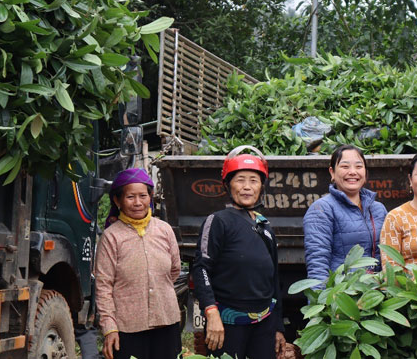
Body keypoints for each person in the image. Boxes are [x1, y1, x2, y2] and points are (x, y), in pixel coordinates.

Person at [192, 146, 286, 359]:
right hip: (227, 322)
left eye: (253, 181)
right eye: (240, 180)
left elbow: (274, 279)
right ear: (228, 185)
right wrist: (211, 312)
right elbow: (201, 268)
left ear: (261, 186)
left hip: (264, 321)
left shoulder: (264, 226)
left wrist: (277, 326)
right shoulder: (218, 221)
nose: (247, 187)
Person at [95, 168, 182, 359]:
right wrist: (109, 328)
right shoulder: (112, 237)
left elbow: (174, 270)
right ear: (118, 201)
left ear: (150, 197)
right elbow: (103, 285)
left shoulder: (164, 230)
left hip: (166, 320)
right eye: (130, 197)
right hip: (127, 326)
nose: (137, 203)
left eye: (143, 196)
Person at [304, 145, 387, 282]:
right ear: (332, 172)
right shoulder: (321, 209)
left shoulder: (378, 209)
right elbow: (317, 262)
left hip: (376, 292)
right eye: (345, 166)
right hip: (343, 295)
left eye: (359, 166)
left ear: (365, 172)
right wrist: (321, 299)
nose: (353, 172)